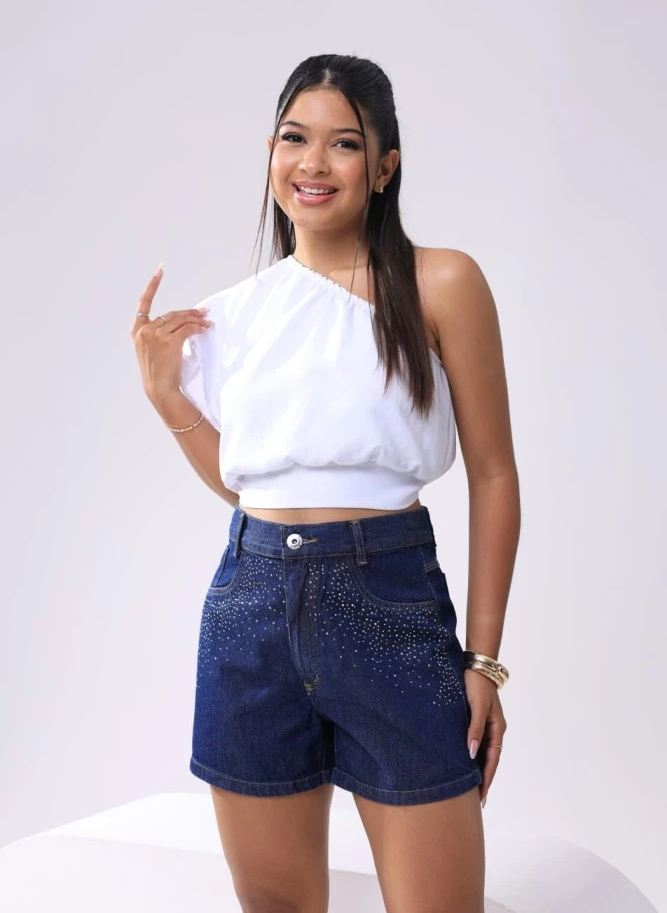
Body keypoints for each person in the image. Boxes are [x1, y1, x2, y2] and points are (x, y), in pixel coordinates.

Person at [132, 54, 520, 913]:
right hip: (250, 606)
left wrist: (483, 662)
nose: (312, 163)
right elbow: (251, 487)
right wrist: (167, 398)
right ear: (270, 152)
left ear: (383, 167)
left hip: (389, 602)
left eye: (343, 143)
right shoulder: (231, 314)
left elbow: (493, 473)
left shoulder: (440, 282)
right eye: (293, 138)